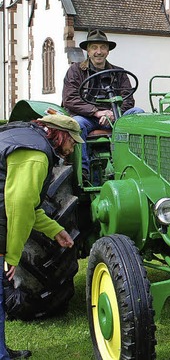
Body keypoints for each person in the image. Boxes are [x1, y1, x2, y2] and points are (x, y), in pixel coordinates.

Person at [0, 114, 77, 359]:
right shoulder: (35, 153)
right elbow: (20, 206)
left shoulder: (29, 140)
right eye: (72, 142)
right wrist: (12, 257)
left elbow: (30, 207)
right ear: (61, 134)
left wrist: (57, 230)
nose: (73, 148)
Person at [62, 29, 144, 176]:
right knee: (77, 124)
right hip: (88, 117)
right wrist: (96, 111)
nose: (98, 52)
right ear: (87, 50)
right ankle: (83, 172)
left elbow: (128, 98)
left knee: (138, 114)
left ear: (108, 51)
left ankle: (136, 166)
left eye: (102, 47)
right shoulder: (76, 71)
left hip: (115, 117)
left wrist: (113, 113)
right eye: (94, 47)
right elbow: (70, 99)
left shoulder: (119, 72)